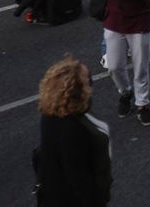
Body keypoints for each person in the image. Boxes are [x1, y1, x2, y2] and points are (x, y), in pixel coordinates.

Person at [34, 56, 112, 207]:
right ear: (76, 91)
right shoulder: (74, 129)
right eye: (87, 83)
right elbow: (79, 178)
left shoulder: (49, 115)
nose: (90, 87)